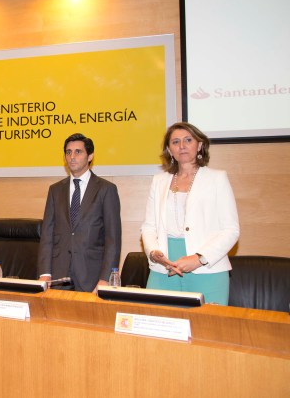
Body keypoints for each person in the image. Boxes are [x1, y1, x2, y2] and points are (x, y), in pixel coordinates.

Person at [141, 122, 239, 305]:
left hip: (207, 270)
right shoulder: (159, 181)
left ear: (199, 145)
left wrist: (199, 259)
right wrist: (153, 251)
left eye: (188, 140)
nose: (182, 146)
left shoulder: (217, 178)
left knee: (207, 331)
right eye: (175, 142)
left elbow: (231, 230)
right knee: (157, 327)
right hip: (164, 269)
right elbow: (149, 226)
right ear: (169, 150)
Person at [38, 133, 122, 292]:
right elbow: (47, 234)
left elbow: (113, 239)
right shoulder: (55, 190)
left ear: (90, 156)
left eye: (78, 152)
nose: (72, 157)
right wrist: (44, 272)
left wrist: (105, 278)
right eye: (68, 152)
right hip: (58, 274)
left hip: (92, 275)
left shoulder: (106, 189)